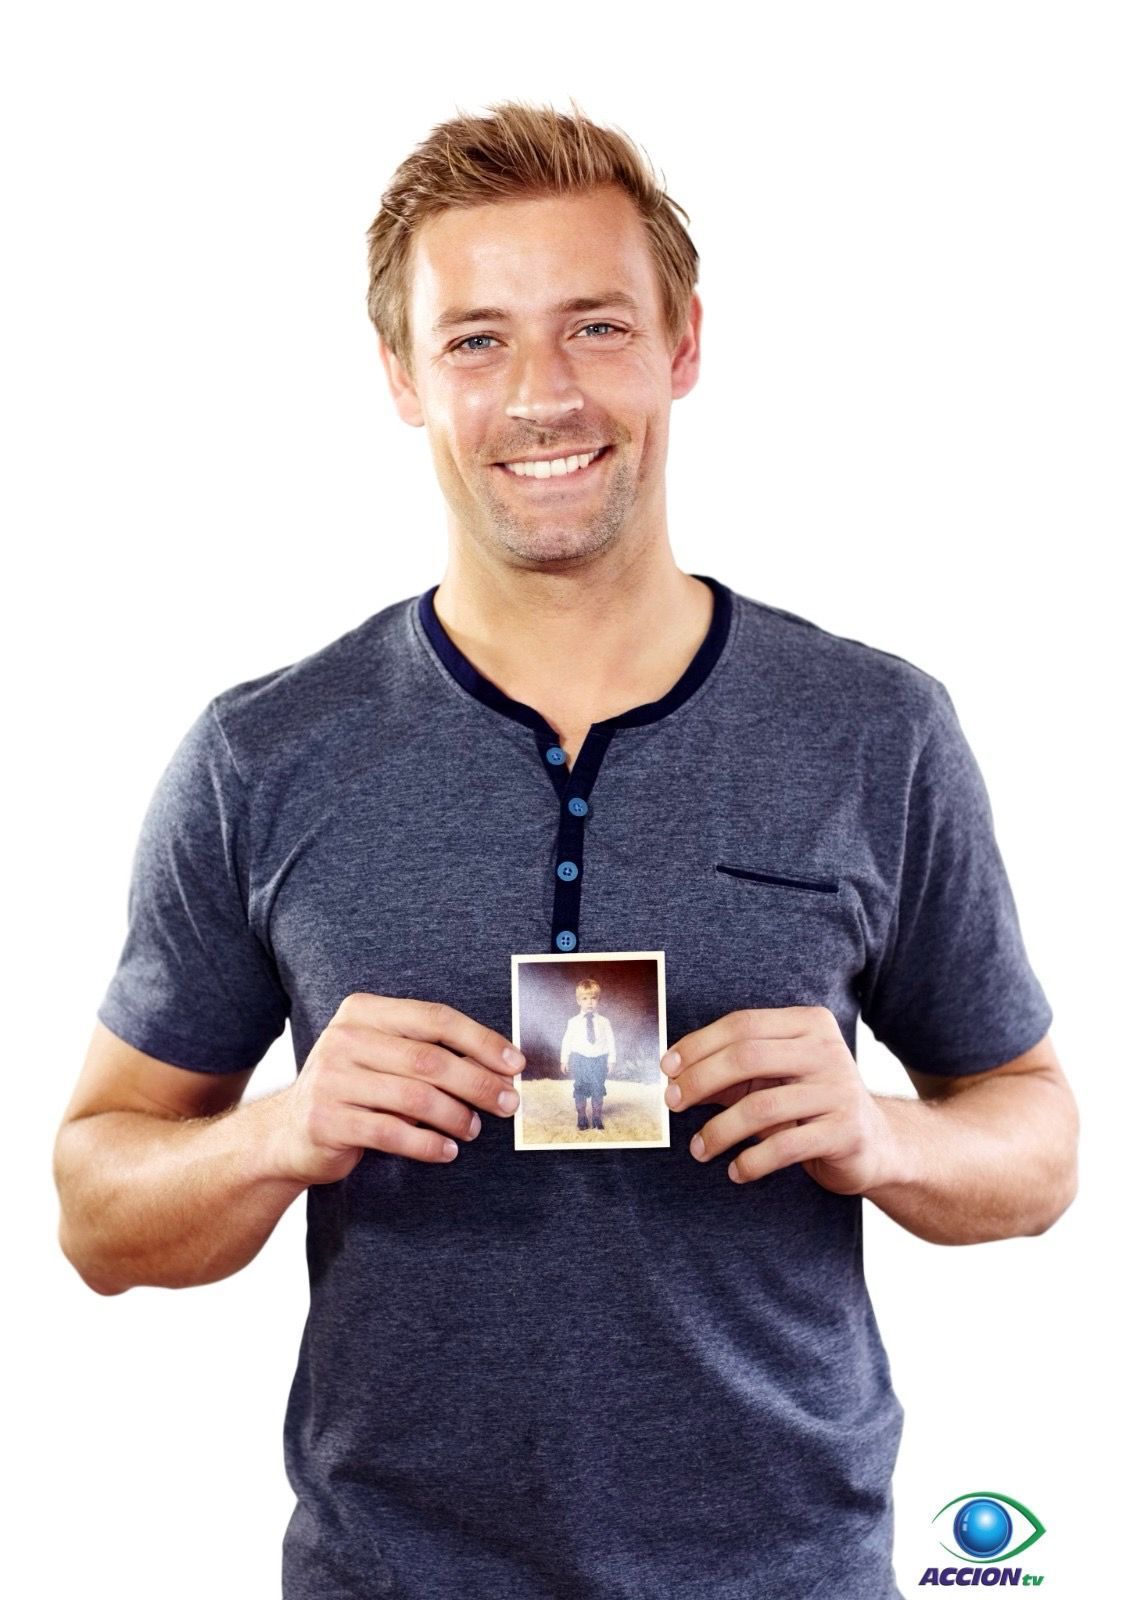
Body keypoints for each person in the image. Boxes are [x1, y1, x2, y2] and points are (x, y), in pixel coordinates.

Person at [52, 98, 1079, 1600]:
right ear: (401, 377)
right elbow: (96, 1209)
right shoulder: (261, 754)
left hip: (788, 1573)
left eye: (594, 325)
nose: (543, 393)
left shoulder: (874, 729)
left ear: (683, 345)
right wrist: (275, 1132)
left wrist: (883, 1134)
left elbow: (1035, 1138)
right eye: (476, 340)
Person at [560, 977, 617, 1129]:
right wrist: (564, 1060)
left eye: (593, 998)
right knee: (580, 1088)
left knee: (598, 1088)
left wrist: (611, 1060)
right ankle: (582, 1116)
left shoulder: (604, 1022)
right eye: (585, 998)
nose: (589, 1002)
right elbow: (567, 1040)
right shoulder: (573, 1022)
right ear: (578, 1001)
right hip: (579, 1060)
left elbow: (611, 1041)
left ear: (598, 1000)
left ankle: (597, 1117)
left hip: (599, 1060)